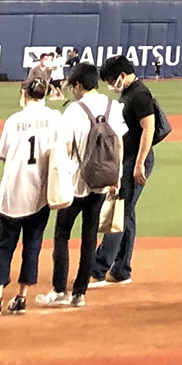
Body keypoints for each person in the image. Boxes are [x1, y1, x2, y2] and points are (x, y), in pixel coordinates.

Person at [39, 61, 116, 309]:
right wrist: (116, 177)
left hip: (76, 182)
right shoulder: (113, 105)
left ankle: (60, 288)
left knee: (62, 234)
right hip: (103, 181)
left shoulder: (73, 110)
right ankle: (80, 292)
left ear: (79, 85)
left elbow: (67, 146)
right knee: (90, 236)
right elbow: (119, 144)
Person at [0, 77, 58, 317]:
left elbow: (2, 154)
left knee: (3, 245)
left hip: (12, 191)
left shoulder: (13, 121)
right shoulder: (54, 118)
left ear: (24, 93)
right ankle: (21, 297)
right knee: (32, 245)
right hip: (40, 192)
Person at [90, 56, 159, 286]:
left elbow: (148, 129)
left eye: (111, 79)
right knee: (126, 214)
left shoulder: (139, 94)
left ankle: (98, 268)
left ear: (122, 74)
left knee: (120, 211)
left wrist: (139, 164)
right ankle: (121, 269)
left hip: (136, 160)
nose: (110, 84)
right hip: (130, 159)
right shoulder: (130, 92)